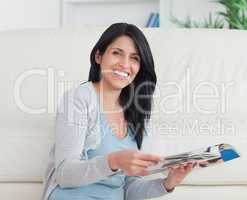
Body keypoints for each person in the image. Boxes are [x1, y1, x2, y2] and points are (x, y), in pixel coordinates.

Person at [41, 23, 194, 200]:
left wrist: (168, 183)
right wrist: (113, 161)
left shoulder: (138, 113)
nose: (125, 64)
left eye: (135, 58)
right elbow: (64, 174)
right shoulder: (78, 99)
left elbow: (129, 189)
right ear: (99, 56)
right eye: (116, 53)